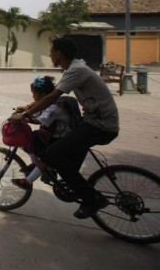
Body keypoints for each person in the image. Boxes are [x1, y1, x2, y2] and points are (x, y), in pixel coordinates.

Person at [11, 37, 119, 219]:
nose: (50, 55)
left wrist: (26, 115)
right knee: (65, 157)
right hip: (93, 122)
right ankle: (71, 183)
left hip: (100, 126)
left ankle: (92, 199)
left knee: (53, 153)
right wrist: (28, 108)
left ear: (59, 54)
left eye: (52, 52)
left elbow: (52, 97)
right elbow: (52, 97)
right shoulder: (75, 68)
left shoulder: (76, 70)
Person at [11, 76, 71, 189]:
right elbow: (38, 113)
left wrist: (24, 118)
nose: (33, 97)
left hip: (60, 138)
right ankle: (36, 165)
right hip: (52, 134)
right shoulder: (48, 102)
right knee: (30, 139)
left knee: (46, 156)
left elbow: (40, 119)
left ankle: (28, 181)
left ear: (43, 94)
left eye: (34, 94)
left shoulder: (55, 106)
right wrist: (25, 111)